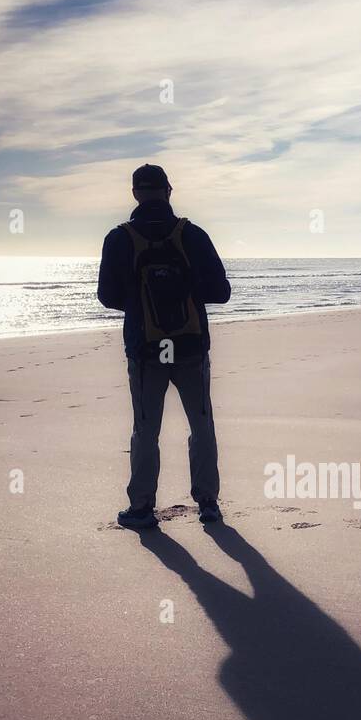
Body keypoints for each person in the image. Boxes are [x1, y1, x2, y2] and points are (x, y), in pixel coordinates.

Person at [97, 164, 231, 528]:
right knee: (201, 424)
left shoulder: (119, 238)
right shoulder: (193, 235)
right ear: (169, 191)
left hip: (145, 350)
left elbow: (106, 296)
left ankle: (141, 507)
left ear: (135, 194)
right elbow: (222, 293)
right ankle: (208, 503)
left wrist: (143, 306)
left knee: (145, 429)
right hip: (189, 346)